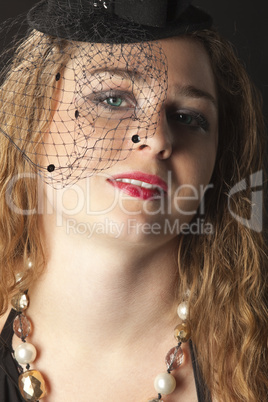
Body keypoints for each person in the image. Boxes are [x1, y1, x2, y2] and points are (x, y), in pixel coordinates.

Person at [0, 0, 267, 401]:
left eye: (188, 117)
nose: (157, 139)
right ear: (33, 116)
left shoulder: (255, 367)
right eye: (112, 100)